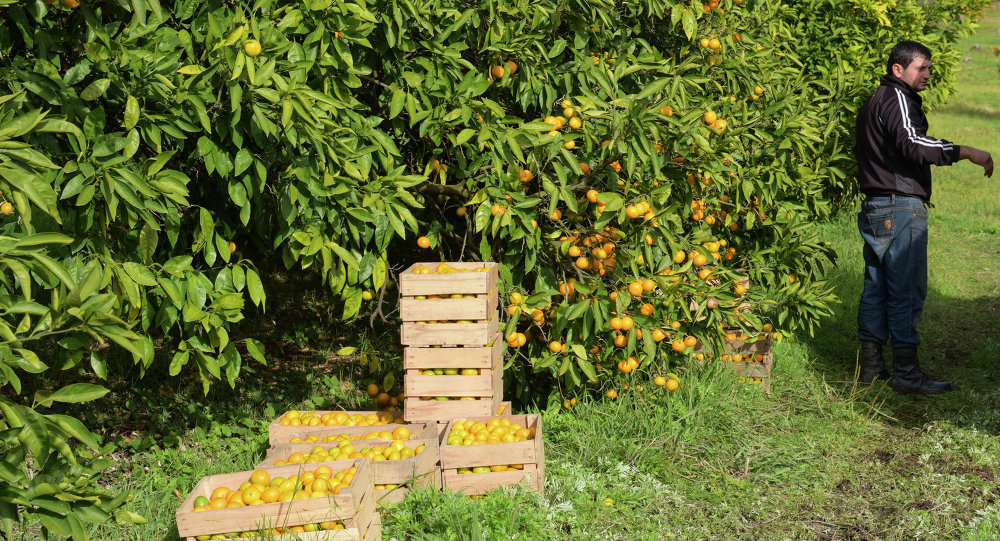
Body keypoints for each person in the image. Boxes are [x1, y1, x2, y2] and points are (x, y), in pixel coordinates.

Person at [855, 40, 993, 394]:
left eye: (929, 68)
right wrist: (966, 151)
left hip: (875, 205)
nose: (928, 75)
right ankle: (907, 373)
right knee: (906, 291)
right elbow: (912, 143)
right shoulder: (897, 98)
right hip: (899, 206)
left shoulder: (875, 100)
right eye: (922, 68)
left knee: (877, 287)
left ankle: (871, 368)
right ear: (897, 69)